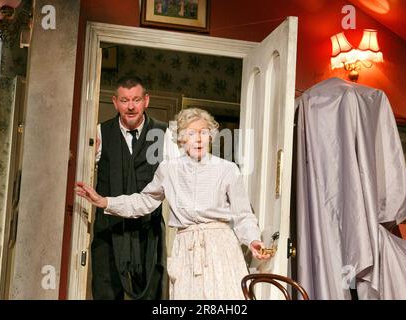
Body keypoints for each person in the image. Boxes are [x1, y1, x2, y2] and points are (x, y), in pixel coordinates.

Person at [77, 108, 271, 300]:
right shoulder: (169, 169)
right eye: (191, 133)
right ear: (181, 139)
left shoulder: (227, 170)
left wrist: (253, 239)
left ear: (210, 136)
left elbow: (243, 213)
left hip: (220, 247)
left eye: (203, 132)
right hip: (185, 249)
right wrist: (105, 202)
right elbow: (144, 201)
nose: (198, 138)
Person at [91, 76, 168, 300]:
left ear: (146, 100)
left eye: (136, 99)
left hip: (148, 228)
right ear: (115, 102)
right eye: (125, 100)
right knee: (106, 291)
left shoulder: (164, 134)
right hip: (108, 226)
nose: (131, 106)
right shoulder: (99, 133)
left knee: (152, 294)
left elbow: (178, 179)